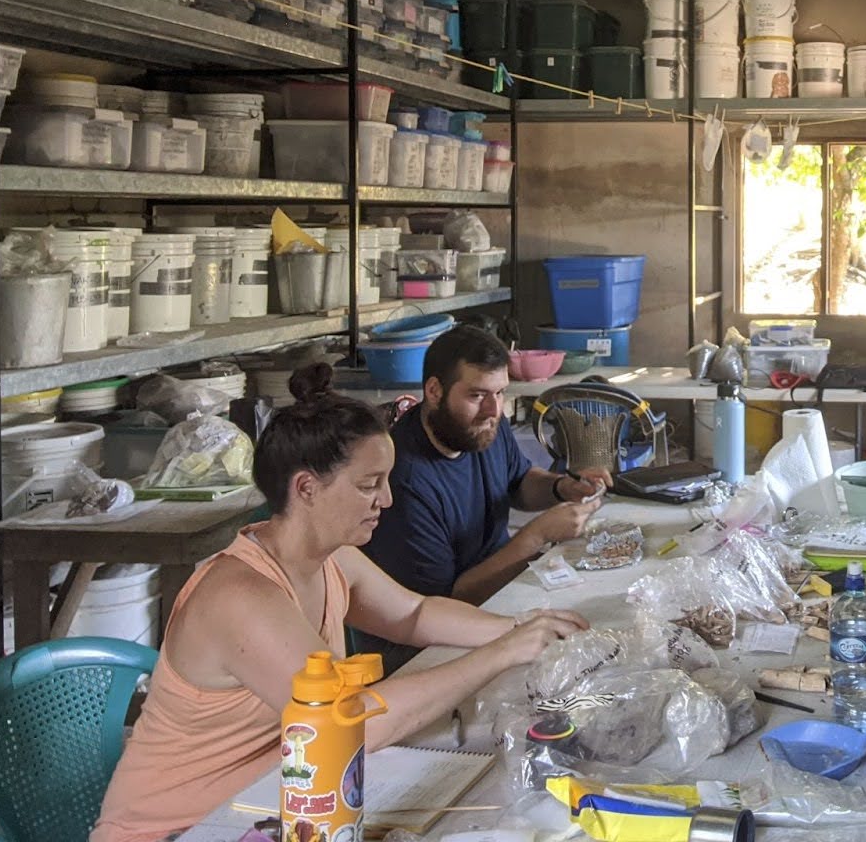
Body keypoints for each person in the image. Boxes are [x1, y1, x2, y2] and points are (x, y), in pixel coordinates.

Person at [91, 364, 589, 842]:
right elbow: (350, 722)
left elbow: (414, 615)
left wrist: (524, 626)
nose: (387, 500)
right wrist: (501, 654)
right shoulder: (238, 595)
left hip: (272, 804)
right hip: (181, 829)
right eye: (370, 485)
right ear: (306, 488)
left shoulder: (332, 560)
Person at [361, 326, 611, 660]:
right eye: (477, 395)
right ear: (434, 391)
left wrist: (561, 487)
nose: (494, 411)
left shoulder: (482, 427)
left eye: (500, 393)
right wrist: (535, 538)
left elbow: (518, 482)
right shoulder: (403, 480)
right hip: (427, 648)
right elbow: (444, 606)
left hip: (499, 597)